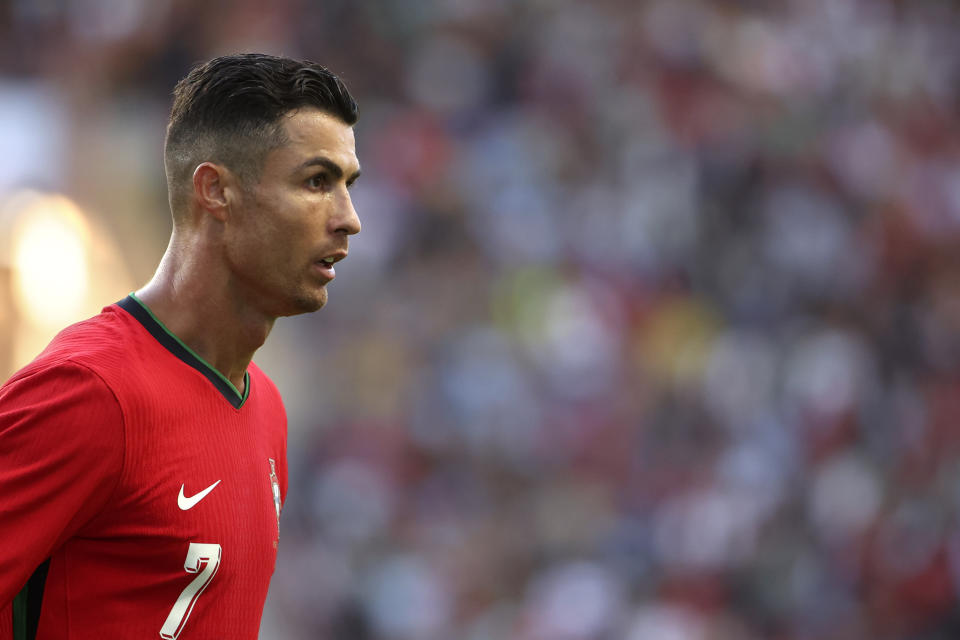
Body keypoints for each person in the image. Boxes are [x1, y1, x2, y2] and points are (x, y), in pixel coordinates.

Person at [0, 53, 362, 639]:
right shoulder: (91, 393)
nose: (349, 218)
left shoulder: (265, 407)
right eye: (316, 181)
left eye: (348, 185)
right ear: (215, 191)